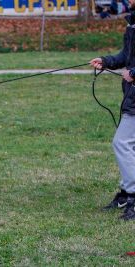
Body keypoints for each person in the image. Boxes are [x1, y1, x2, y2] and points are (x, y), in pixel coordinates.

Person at [90, 0, 135, 221]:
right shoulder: (132, 23)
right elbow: (127, 56)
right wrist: (106, 61)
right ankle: (127, 193)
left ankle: (133, 196)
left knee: (122, 143)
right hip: (131, 94)